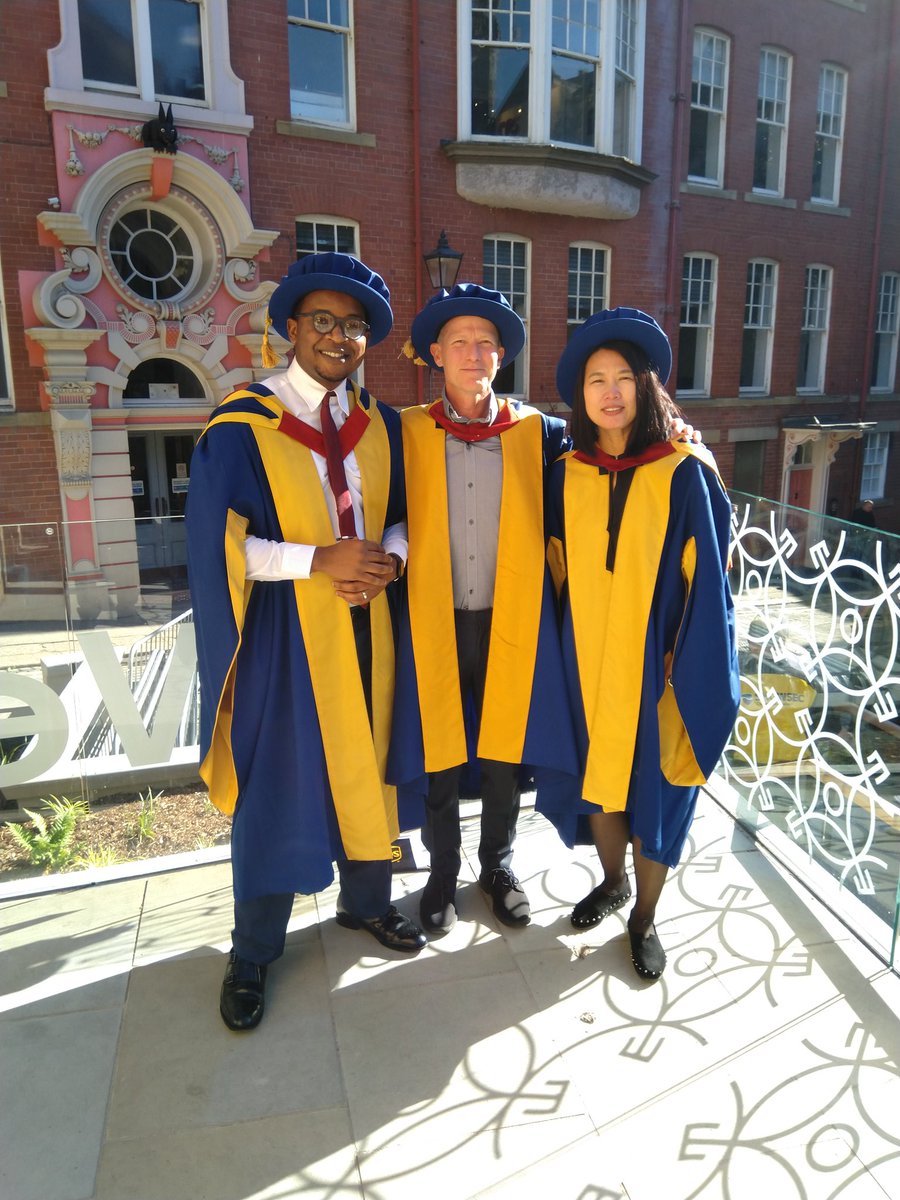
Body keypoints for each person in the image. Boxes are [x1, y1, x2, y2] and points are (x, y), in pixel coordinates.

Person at [187, 252, 426, 1033]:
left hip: (367, 628)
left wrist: (385, 559)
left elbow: (403, 515)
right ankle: (252, 950)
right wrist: (318, 560)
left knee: (370, 766)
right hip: (283, 639)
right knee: (279, 786)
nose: (339, 336)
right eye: (323, 320)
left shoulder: (383, 425)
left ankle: (366, 905)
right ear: (291, 328)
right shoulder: (240, 427)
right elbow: (222, 549)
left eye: (355, 325)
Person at [536, 307, 740, 981]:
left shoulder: (685, 472)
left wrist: (692, 669)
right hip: (587, 668)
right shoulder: (565, 474)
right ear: (581, 396)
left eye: (625, 376)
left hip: (660, 674)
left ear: (648, 387)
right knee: (603, 787)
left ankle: (645, 917)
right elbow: (554, 571)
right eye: (596, 379)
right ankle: (613, 880)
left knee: (658, 793)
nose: (611, 390)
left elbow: (711, 581)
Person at [389, 283, 580, 935]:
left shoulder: (538, 433)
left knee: (503, 750)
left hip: (513, 616)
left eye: (485, 343)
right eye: (459, 342)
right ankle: (442, 874)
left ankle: (496, 867)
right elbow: (384, 515)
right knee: (441, 747)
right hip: (433, 614)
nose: (473, 353)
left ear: (501, 356)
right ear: (436, 354)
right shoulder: (407, 432)